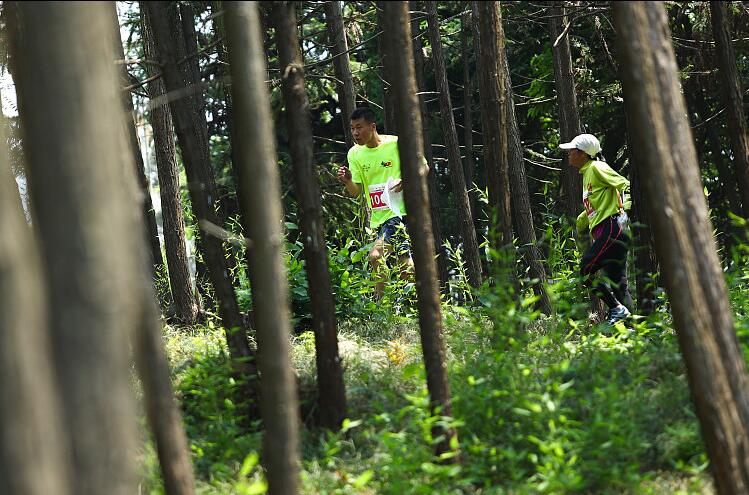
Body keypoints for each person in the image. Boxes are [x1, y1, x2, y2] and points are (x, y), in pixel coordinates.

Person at [337, 107, 414, 300]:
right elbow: (356, 192)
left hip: (400, 212)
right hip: (379, 218)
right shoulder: (354, 154)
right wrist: (347, 181)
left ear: (372, 127)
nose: (355, 133)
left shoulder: (396, 144)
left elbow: (424, 167)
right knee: (405, 266)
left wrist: (407, 178)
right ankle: (414, 303)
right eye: (352, 128)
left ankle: (380, 305)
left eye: (359, 128)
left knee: (375, 256)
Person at [560, 133, 634, 325]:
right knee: (619, 286)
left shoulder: (596, 167)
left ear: (583, 153)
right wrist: (582, 219)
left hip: (612, 228)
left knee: (585, 270)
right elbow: (597, 204)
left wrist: (625, 211)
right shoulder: (587, 173)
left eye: (572, 150)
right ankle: (638, 333)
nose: (569, 153)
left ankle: (616, 309)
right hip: (610, 230)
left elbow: (625, 184)